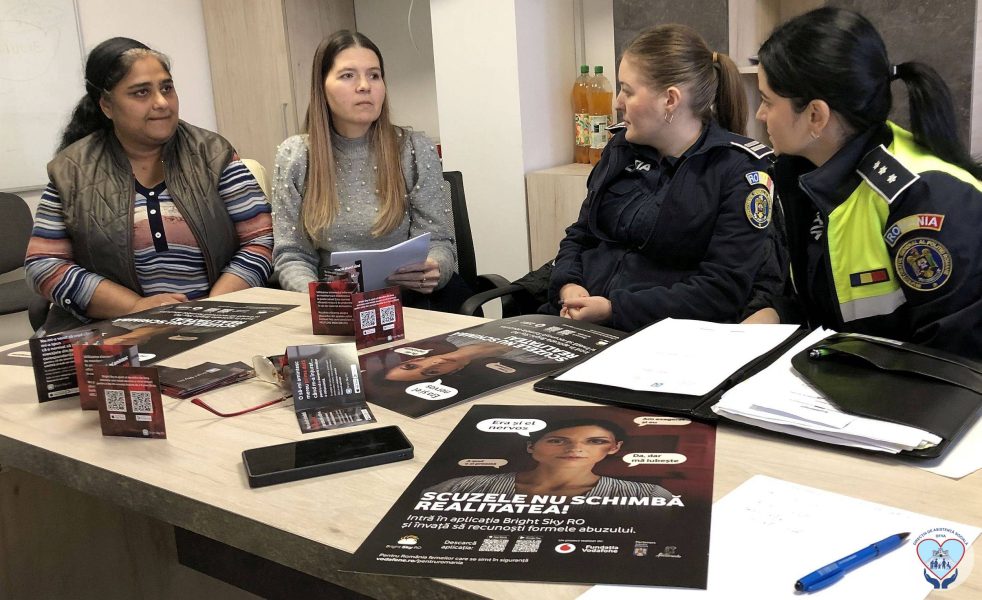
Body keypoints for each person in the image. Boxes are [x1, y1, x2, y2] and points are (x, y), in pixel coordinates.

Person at [752, 8, 982, 357]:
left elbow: (955, 359)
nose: (759, 115)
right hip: (846, 376)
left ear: (816, 115)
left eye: (767, 101)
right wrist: (775, 315)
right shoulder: (803, 177)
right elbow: (825, 302)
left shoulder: (923, 197)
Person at [543, 24, 786, 332]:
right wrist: (568, 284)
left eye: (628, 91)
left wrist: (613, 309)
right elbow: (581, 234)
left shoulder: (737, 169)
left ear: (670, 100)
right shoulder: (620, 148)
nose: (617, 102)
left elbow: (720, 291)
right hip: (574, 321)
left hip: (657, 337)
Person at [25, 37, 273, 334]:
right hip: (113, 330)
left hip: (217, 323)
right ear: (107, 105)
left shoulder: (212, 153)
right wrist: (135, 307)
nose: (162, 103)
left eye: (166, 88)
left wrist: (210, 310)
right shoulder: (72, 170)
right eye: (141, 92)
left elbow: (261, 241)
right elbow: (44, 264)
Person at [272, 30, 469, 312]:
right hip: (335, 306)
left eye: (374, 75)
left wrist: (435, 267)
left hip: (411, 304)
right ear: (321, 87)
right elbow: (292, 255)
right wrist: (322, 301)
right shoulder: (296, 156)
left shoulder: (413, 149)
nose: (365, 86)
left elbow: (439, 242)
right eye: (348, 75)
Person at [424, 419, 673, 499]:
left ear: (614, 448)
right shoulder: (460, 488)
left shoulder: (649, 496)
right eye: (557, 440)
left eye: (595, 441)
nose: (575, 448)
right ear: (531, 446)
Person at [383, 331, 556, 382]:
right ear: (454, 371)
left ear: (416, 359)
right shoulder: (532, 360)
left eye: (411, 366)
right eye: (431, 372)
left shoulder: (457, 336)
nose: (434, 364)